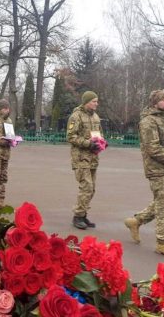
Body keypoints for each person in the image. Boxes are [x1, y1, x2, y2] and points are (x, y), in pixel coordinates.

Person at [124, 90, 164, 259]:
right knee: (163, 204)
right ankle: (162, 243)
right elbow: (153, 148)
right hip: (156, 168)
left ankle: (136, 221)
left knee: (162, 202)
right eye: (163, 100)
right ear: (154, 103)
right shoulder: (148, 121)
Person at [67, 91, 103, 230]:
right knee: (86, 187)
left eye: (96, 101)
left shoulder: (95, 116)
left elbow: (99, 133)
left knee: (91, 188)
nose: (96, 103)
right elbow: (71, 136)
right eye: (94, 101)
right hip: (81, 157)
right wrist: (88, 143)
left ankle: (83, 215)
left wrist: (101, 142)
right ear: (86, 102)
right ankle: (77, 217)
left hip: (93, 157)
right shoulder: (76, 116)